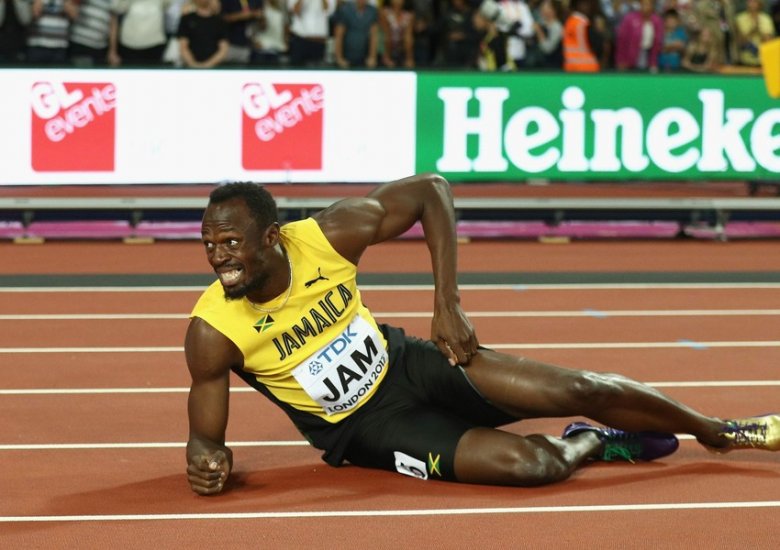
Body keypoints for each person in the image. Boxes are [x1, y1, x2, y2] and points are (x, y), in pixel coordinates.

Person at [185, 174, 779, 495]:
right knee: (532, 467)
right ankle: (592, 442)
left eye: (231, 243)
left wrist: (447, 302)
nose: (219, 258)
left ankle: (721, 432)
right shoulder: (214, 331)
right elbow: (204, 441)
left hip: (409, 363)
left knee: (583, 386)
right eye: (210, 244)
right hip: (367, 428)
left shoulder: (324, 237)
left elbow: (430, 190)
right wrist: (208, 461)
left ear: (273, 237)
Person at [614, 0, 664, 71]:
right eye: (644, 4)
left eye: (649, 4)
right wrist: (621, 60)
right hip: (631, 56)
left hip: (649, 55)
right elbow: (622, 40)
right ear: (640, 5)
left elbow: (658, 43)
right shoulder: (629, 19)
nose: (647, 7)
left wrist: (654, 62)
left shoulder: (657, 20)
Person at [177, 0, 229, 68]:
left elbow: (223, 49)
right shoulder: (186, 19)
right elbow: (183, 46)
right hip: (190, 67)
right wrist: (193, 65)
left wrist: (207, 65)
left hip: (214, 68)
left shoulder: (220, 21)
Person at [333, 0, 379, 68]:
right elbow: (339, 36)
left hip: (364, 58)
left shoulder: (372, 11)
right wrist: (339, 58)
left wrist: (372, 57)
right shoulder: (345, 10)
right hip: (346, 57)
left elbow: (374, 36)